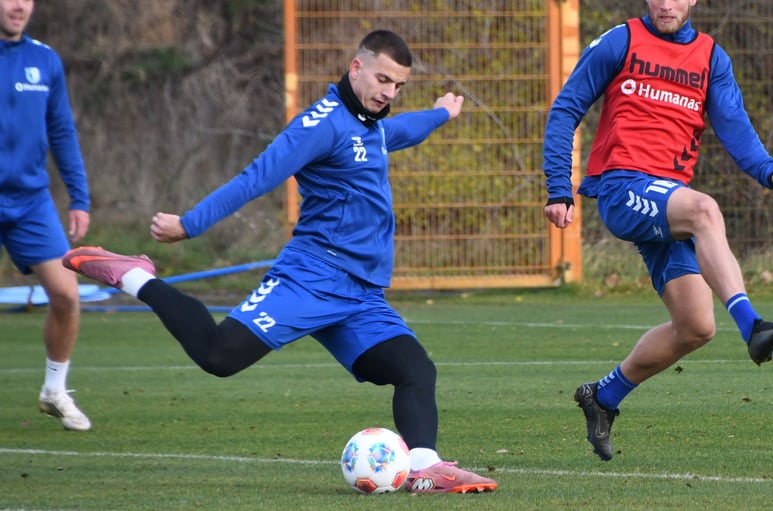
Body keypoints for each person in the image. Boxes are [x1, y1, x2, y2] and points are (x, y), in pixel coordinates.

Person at [63, 30, 497, 493]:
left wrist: (439, 115)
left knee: (414, 371)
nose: (388, 93)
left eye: (398, 86)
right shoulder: (320, 125)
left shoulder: (372, 126)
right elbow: (258, 177)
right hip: (311, 277)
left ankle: (424, 467)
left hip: (359, 293)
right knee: (218, 356)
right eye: (383, 80)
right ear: (356, 67)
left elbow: (401, 131)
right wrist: (189, 224)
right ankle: (134, 276)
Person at [542, 0, 773, 461]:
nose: (666, 4)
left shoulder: (710, 57)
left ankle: (603, 396)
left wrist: (768, 169)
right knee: (705, 209)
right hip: (621, 187)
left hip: (665, 200)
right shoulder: (622, 41)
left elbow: (734, 126)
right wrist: (557, 186)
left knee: (696, 326)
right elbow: (566, 107)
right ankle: (753, 327)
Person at [1, 0, 93, 431]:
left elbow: (62, 131)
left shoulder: (45, 60)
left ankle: (54, 389)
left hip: (30, 201)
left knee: (66, 295)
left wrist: (79, 198)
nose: (19, 5)